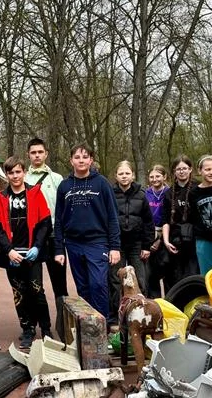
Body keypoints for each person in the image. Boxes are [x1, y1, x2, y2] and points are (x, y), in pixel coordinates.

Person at [54, 144, 120, 324]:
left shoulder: (102, 183)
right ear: (71, 161)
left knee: (98, 284)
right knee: (83, 288)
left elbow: (113, 217)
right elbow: (58, 220)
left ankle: (102, 325)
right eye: (77, 157)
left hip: (98, 242)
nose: (81, 160)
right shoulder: (64, 186)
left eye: (85, 157)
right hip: (73, 244)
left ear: (91, 160)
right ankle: (88, 328)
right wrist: (59, 249)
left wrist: (115, 247)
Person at [0, 156, 53, 346]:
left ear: (24, 172)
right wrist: (8, 250)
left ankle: (45, 328)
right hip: (13, 256)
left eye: (18, 171)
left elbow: (45, 224)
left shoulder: (35, 193)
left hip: (32, 254)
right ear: (7, 175)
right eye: (11, 172)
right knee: (19, 294)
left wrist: (37, 246)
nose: (15, 176)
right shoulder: (2, 197)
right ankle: (27, 329)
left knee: (37, 291)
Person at [25, 137, 68, 304]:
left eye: (40, 152)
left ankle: (62, 322)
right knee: (33, 283)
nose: (37, 155)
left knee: (60, 283)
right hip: (32, 237)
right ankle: (38, 324)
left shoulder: (57, 179)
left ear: (46, 154)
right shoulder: (23, 178)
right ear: (28, 155)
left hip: (54, 235)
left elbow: (64, 207)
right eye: (33, 152)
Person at [109, 161, 154, 314]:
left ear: (133, 175)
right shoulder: (110, 193)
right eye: (121, 174)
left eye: (127, 173)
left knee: (140, 278)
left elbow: (148, 221)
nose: (124, 176)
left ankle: (142, 311)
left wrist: (147, 246)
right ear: (116, 176)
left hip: (137, 243)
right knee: (116, 278)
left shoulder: (142, 194)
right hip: (117, 243)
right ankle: (117, 313)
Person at [161, 155, 199, 288]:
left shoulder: (198, 188)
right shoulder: (168, 193)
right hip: (175, 239)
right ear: (174, 171)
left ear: (190, 169)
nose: (182, 171)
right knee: (174, 276)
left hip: (194, 239)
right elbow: (165, 219)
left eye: (184, 168)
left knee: (192, 274)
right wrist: (166, 241)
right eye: (178, 169)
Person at [189, 156, 212, 275]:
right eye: (208, 169)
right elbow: (194, 217)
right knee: (208, 275)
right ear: (200, 171)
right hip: (204, 240)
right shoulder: (193, 192)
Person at [144, 164, 169, 297]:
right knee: (151, 273)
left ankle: (169, 301)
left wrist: (160, 239)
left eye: (158, 176)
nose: (155, 179)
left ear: (164, 177)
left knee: (165, 270)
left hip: (165, 234)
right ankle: (154, 301)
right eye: (152, 177)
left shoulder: (169, 192)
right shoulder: (145, 193)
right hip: (149, 233)